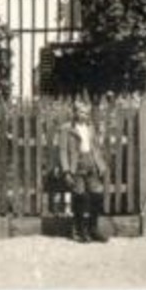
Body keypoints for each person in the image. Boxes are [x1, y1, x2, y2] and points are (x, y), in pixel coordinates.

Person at [56, 100, 110, 243]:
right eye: (80, 112)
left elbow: (95, 148)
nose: (83, 115)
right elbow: (62, 151)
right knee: (80, 196)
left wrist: (101, 165)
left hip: (91, 164)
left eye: (86, 112)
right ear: (75, 113)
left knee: (97, 194)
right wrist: (67, 171)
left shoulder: (90, 127)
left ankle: (93, 228)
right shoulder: (66, 129)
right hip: (76, 166)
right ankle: (79, 230)